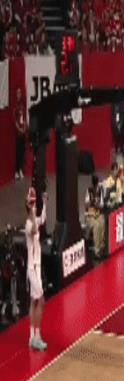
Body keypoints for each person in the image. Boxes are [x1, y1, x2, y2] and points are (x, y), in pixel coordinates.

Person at [25, 187, 48, 351]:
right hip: (32, 268)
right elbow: (34, 229)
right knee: (41, 301)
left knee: (34, 301)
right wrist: (32, 212)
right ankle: (37, 337)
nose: (35, 206)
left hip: (37, 267)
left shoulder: (34, 220)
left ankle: (31, 336)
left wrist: (45, 203)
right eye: (32, 204)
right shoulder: (28, 224)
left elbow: (43, 219)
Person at [84, 175, 105, 258]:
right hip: (90, 216)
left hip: (98, 214)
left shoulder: (100, 191)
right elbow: (86, 205)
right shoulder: (89, 190)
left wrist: (97, 206)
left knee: (102, 222)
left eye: (96, 185)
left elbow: (102, 205)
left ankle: (101, 246)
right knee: (96, 225)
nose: (95, 187)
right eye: (94, 185)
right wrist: (91, 201)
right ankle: (97, 251)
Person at [14, 88, 26, 180]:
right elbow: (15, 121)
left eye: (20, 92)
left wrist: (24, 128)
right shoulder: (15, 106)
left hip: (23, 133)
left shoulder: (22, 105)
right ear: (16, 94)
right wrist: (19, 129)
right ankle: (16, 171)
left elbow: (24, 118)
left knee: (22, 152)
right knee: (18, 153)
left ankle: (21, 170)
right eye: (18, 92)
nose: (19, 94)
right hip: (18, 133)